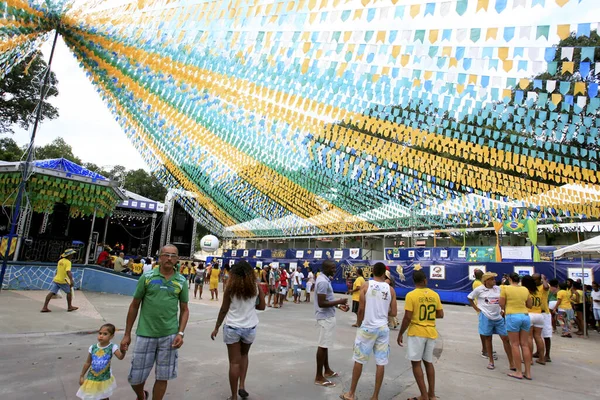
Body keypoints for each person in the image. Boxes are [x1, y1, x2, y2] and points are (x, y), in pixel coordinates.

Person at [120, 244, 189, 400]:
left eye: (173, 256)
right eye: (166, 255)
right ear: (160, 257)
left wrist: (180, 332)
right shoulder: (148, 277)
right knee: (136, 378)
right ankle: (141, 395)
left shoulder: (181, 281)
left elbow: (184, 309)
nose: (169, 258)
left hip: (169, 336)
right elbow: (134, 305)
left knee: (163, 376)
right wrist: (127, 334)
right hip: (145, 334)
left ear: (177, 259)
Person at [341, 262, 397, 400]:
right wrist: (383, 310)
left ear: (372, 272)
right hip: (383, 328)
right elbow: (394, 312)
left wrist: (359, 323)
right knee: (381, 362)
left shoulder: (366, 285)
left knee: (359, 360)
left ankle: (351, 394)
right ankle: (375, 396)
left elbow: (361, 309)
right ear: (384, 273)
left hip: (367, 327)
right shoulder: (390, 290)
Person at [211, 261, 266, 400]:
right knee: (244, 356)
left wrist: (216, 327)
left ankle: (234, 396)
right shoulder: (255, 287)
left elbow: (224, 309)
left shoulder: (230, 287)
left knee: (234, 362)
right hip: (250, 327)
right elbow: (261, 307)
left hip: (232, 327)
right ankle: (242, 386)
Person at [397, 270, 443, 400]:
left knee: (416, 364)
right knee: (428, 362)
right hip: (431, 332)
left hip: (417, 332)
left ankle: (423, 395)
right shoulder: (435, 295)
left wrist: (400, 333)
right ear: (425, 280)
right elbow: (440, 314)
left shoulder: (411, 295)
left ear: (414, 281)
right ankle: (432, 394)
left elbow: (407, 317)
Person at [467, 272, 513, 371]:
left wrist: (503, 310)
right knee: (488, 338)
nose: (494, 281)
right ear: (486, 281)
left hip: (498, 317)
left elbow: (504, 299)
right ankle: (491, 361)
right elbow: (470, 297)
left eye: (494, 279)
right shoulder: (479, 289)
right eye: (492, 279)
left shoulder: (498, 288)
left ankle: (512, 363)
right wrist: (477, 309)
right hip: (486, 316)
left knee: (505, 338)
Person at [314, 260, 349, 388]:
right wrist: (339, 300)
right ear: (326, 268)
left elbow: (327, 299)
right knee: (322, 346)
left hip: (328, 316)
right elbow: (322, 302)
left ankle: (327, 370)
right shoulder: (323, 282)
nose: (335, 270)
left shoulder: (324, 279)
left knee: (325, 344)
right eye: (333, 268)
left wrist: (339, 305)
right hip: (325, 318)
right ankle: (319, 376)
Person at [77, 323, 126, 400]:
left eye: (105, 334)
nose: (101, 336)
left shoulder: (112, 347)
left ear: (111, 336)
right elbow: (88, 362)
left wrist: (123, 352)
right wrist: (82, 375)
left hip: (104, 379)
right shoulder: (93, 347)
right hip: (92, 378)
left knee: (103, 396)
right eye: (100, 333)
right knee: (90, 396)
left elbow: (120, 357)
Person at [500, 273, 533, 380]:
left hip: (512, 316)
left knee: (514, 344)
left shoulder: (505, 288)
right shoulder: (525, 289)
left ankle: (518, 371)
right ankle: (527, 372)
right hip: (525, 315)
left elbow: (501, 303)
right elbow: (530, 305)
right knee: (524, 344)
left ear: (509, 279)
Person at [522, 275, 546, 365]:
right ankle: (542, 358)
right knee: (539, 337)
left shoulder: (525, 291)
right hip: (539, 315)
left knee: (529, 337)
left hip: (529, 314)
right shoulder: (538, 291)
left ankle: (530, 359)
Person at [472, 268, 495, 360]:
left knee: (488, 329)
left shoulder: (478, 282)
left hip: (486, 307)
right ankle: (485, 350)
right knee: (484, 329)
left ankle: (488, 347)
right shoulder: (478, 284)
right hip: (482, 308)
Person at [532, 274, 552, 362]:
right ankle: (538, 352)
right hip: (536, 313)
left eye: (535, 280)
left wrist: (544, 279)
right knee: (537, 335)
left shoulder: (545, 286)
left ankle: (547, 355)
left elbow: (546, 287)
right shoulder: (533, 287)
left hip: (545, 313)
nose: (534, 281)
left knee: (546, 335)